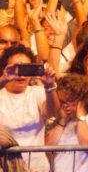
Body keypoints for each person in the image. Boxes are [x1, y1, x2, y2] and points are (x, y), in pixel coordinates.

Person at [0, 44, 58, 172]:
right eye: (15, 69)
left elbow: (52, 113)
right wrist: (2, 80)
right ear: (4, 69)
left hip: (37, 167)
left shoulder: (38, 92)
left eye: (26, 68)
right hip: (7, 167)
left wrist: (49, 87)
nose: (21, 75)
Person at [46, 73, 88, 172]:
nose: (65, 105)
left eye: (69, 100)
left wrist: (81, 116)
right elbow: (48, 148)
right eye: (62, 101)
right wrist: (62, 121)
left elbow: (87, 144)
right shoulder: (62, 121)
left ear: (83, 99)